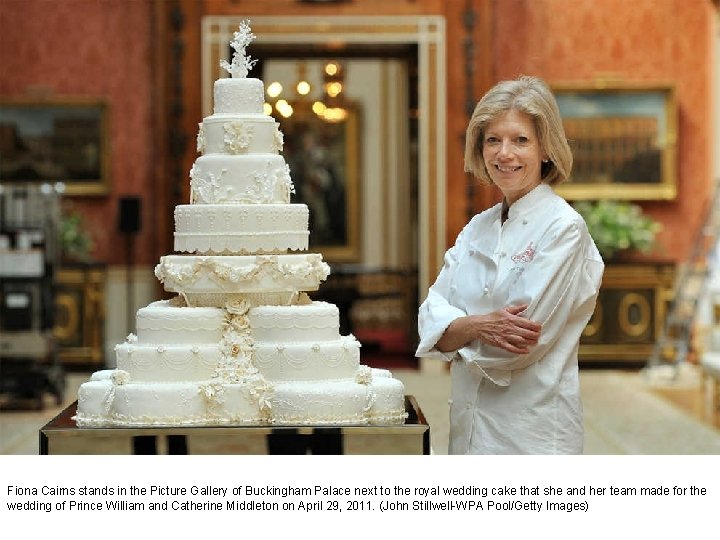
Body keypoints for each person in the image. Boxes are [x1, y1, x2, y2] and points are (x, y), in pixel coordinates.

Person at [416, 75, 604, 454]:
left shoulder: (563, 228)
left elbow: (517, 343)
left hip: (532, 434)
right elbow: (427, 316)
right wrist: (480, 325)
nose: (505, 153)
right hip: (468, 430)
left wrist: (454, 332)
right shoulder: (477, 227)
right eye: (492, 140)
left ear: (546, 149)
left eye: (520, 140)